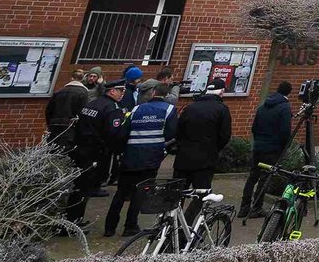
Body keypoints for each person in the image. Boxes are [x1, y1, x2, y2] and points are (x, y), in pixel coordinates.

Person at [105, 81, 172, 238]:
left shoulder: (136, 109)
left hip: (131, 157)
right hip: (151, 158)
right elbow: (171, 133)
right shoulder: (169, 110)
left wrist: (120, 153)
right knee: (139, 193)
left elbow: (123, 133)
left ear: (153, 93)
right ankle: (130, 226)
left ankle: (109, 227)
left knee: (121, 193)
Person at [63, 78, 127, 226]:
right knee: (84, 188)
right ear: (112, 91)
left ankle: (70, 218)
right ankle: (73, 222)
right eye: (120, 91)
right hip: (95, 152)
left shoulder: (92, 104)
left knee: (77, 186)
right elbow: (113, 133)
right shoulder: (111, 108)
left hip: (80, 148)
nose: (122, 94)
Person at [241, 81, 295, 218]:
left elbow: (254, 127)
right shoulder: (284, 107)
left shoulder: (263, 106)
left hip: (259, 146)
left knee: (252, 177)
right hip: (273, 148)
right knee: (265, 178)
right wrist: (284, 147)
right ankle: (257, 208)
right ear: (289, 92)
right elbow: (285, 131)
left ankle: (244, 207)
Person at [173, 82, 234, 193]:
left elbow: (178, 131)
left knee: (177, 194)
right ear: (221, 92)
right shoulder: (222, 109)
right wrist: (214, 149)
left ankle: (175, 210)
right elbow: (225, 135)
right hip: (205, 160)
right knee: (202, 194)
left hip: (183, 157)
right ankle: (192, 211)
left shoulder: (190, 107)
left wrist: (181, 145)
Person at [45, 69, 93, 144]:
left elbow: (48, 110)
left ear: (71, 78)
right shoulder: (83, 92)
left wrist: (49, 123)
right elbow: (83, 111)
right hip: (70, 126)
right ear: (83, 79)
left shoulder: (59, 92)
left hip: (54, 124)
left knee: (53, 146)